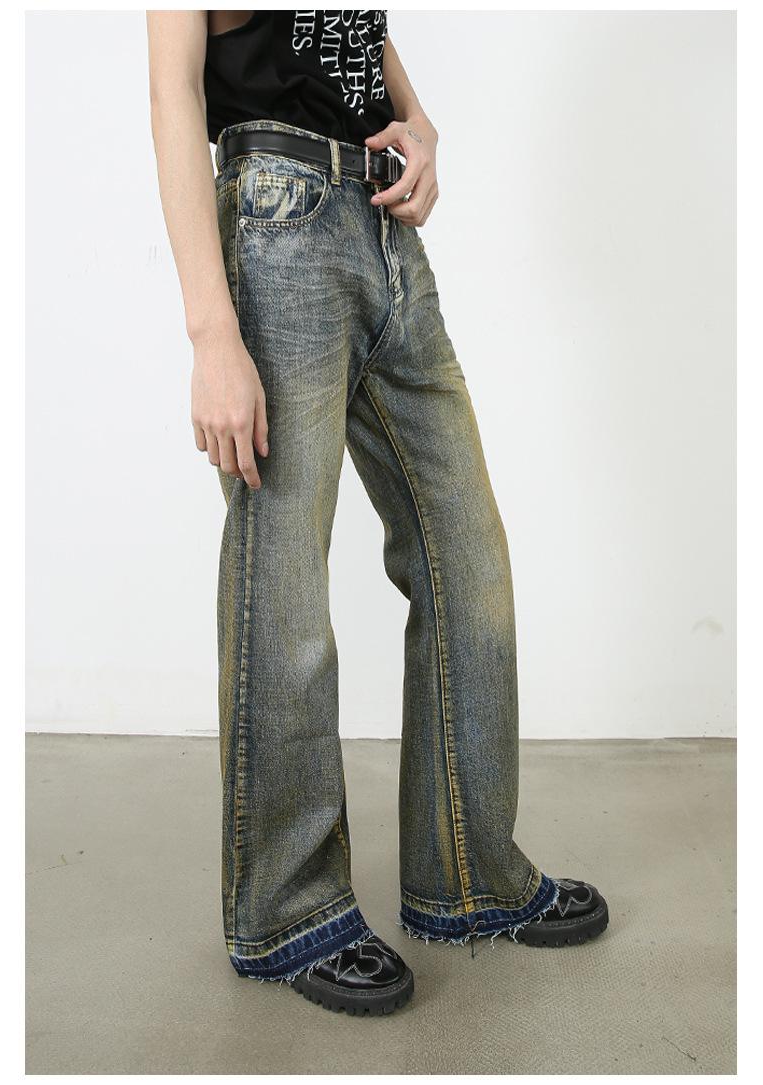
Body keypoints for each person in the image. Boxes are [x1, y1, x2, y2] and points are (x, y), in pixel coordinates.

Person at [146, 9, 608, 1017]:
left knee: (466, 558)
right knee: (283, 585)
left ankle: (468, 872)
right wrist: (211, 334)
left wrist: (418, 117)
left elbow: (349, 23)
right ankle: (289, 910)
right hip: (277, 218)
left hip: (384, 222)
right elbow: (173, 90)